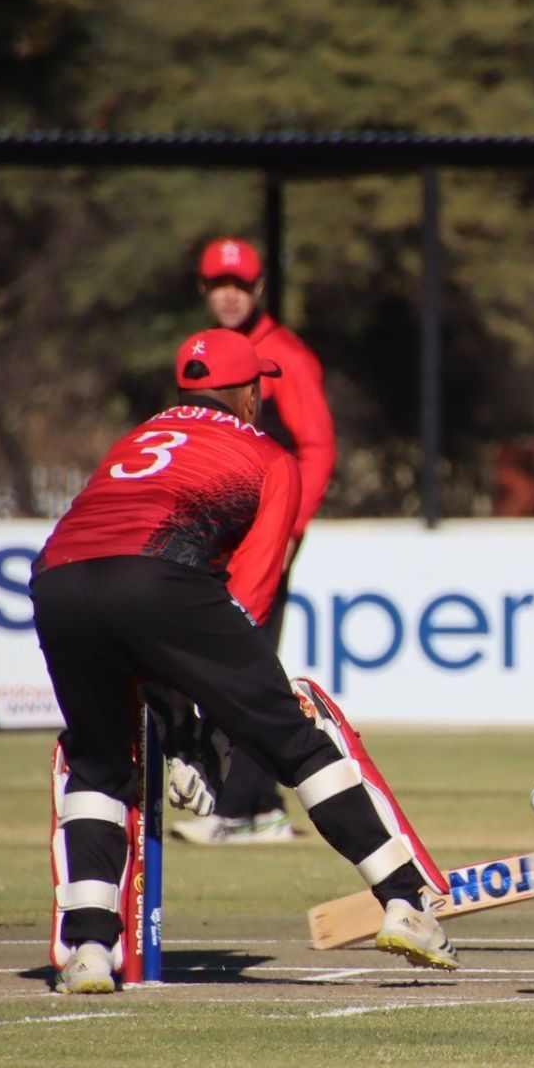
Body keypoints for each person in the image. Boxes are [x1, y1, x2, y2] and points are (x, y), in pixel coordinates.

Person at [31, 328, 456, 993]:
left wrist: (186, 708)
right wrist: (221, 715)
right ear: (249, 393)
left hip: (57, 580)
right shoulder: (266, 454)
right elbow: (250, 595)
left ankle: (88, 948)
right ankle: (405, 900)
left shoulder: (136, 438)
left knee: (98, 763)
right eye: (258, 386)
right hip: (159, 580)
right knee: (297, 737)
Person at [165, 236, 339, 845]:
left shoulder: (283, 355)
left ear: (260, 288)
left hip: (264, 532)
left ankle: (241, 806)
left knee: (245, 663)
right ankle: (256, 804)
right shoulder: (210, 354)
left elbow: (316, 448)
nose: (230, 295)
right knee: (238, 661)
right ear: (203, 289)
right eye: (219, 284)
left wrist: (290, 529)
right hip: (218, 534)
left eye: (241, 284)